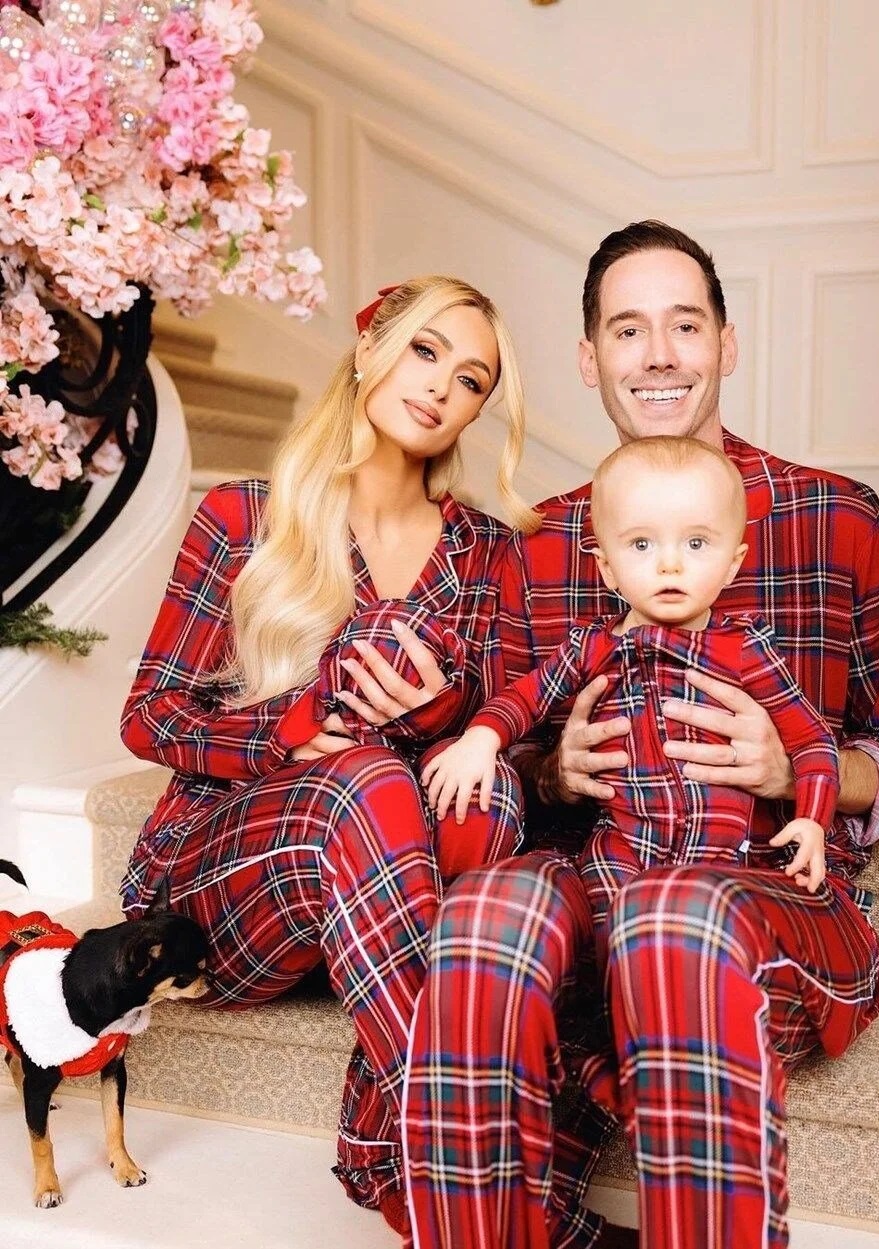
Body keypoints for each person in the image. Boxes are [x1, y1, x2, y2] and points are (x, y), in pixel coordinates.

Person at [401, 223, 879, 1249]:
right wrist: (552, 772)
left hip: (769, 899)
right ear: (589, 357)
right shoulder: (544, 542)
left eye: (684, 326)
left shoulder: (837, 519)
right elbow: (502, 748)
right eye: (627, 330)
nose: (657, 355)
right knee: (484, 912)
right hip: (601, 879)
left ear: (726, 343)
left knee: (674, 917)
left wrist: (800, 772)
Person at [117, 276, 539, 1234]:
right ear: (370, 347)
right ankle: (475, 1174)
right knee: (360, 778)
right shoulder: (245, 515)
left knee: (491, 797)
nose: (440, 387)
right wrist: (289, 728)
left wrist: (444, 711)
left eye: (471, 379)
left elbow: (509, 734)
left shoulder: (483, 553)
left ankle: (399, 1149)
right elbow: (150, 718)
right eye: (425, 351)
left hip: (385, 909)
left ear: (478, 411)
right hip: (227, 886)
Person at [422, 435, 838, 969]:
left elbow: (812, 741)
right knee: (598, 938)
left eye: (696, 543)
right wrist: (480, 739)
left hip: (719, 860)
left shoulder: (746, 650)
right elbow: (523, 698)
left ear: (733, 564)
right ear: (608, 569)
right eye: (642, 545)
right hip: (620, 850)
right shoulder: (593, 647)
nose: (670, 565)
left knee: (705, 939)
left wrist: (813, 818)